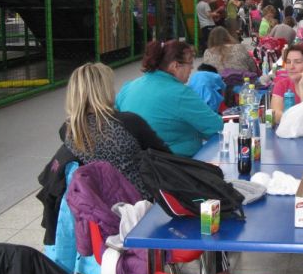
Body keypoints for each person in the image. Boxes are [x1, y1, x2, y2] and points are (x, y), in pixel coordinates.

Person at [61, 62, 169, 198]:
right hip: (142, 199)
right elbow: (164, 156)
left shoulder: (68, 130)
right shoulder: (129, 122)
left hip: (102, 202)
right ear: (104, 91)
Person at [116, 40, 223, 156]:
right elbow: (216, 126)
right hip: (175, 162)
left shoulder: (127, 88)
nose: (192, 67)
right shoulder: (180, 93)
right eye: (190, 63)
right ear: (175, 66)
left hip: (137, 159)